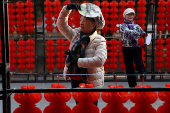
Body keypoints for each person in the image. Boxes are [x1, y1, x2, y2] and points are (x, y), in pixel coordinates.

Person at [56, 3, 107, 105]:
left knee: (91, 108)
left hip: (91, 82)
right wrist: (66, 9)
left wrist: (78, 61)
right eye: (81, 20)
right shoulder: (75, 35)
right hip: (75, 79)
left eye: (85, 20)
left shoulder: (99, 40)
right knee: (78, 107)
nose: (81, 23)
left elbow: (100, 59)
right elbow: (61, 25)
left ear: (94, 24)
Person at [120, 8, 147, 87]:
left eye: (132, 14)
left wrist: (145, 43)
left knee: (139, 64)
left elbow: (144, 34)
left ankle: (142, 73)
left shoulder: (136, 26)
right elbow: (128, 31)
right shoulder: (122, 25)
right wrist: (140, 34)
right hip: (126, 49)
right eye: (128, 14)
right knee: (129, 68)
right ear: (125, 16)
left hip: (136, 48)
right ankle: (132, 86)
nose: (130, 16)